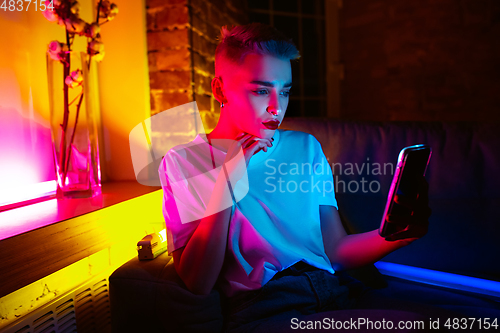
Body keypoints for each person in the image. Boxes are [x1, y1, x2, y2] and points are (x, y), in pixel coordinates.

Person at [159, 23, 431, 332]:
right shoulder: (183, 161)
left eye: (284, 91)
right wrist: (227, 181)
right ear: (220, 90)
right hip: (267, 308)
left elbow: (335, 251)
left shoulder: (306, 147)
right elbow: (198, 281)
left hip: (336, 291)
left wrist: (397, 235)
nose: (277, 107)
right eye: (261, 90)